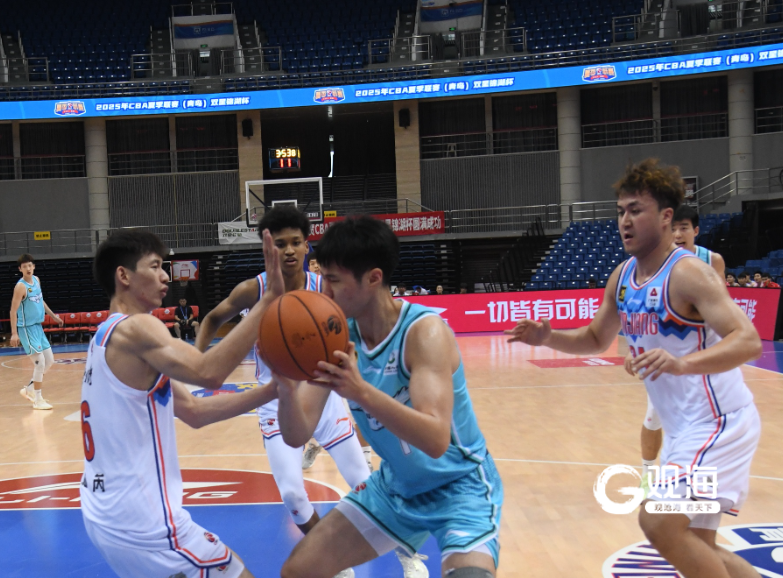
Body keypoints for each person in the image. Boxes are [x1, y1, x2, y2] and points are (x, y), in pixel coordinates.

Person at [505, 159, 762, 578]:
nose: (624, 221)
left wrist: (682, 363)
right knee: (698, 545)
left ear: (665, 217)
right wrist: (547, 338)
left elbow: (748, 340)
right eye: (621, 211)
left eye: (636, 210)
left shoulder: (689, 273)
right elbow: (594, 338)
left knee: (656, 521)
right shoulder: (622, 277)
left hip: (718, 425)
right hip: (684, 432)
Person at [273, 216, 498, 578]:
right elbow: (296, 434)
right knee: (299, 570)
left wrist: (360, 391)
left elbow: (436, 440)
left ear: (374, 278)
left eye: (333, 280)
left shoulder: (424, 333)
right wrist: (285, 390)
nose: (324, 292)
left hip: (459, 487)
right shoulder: (336, 337)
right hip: (395, 487)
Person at [81, 228, 284, 578]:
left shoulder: (105, 335)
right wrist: (268, 301)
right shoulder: (138, 328)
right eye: (155, 266)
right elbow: (209, 373)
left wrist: (271, 391)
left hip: (103, 516)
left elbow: (194, 410)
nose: (165, 276)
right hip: (146, 525)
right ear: (124, 275)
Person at [193, 206, 383, 573]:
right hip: (276, 401)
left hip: (323, 397)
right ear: (269, 248)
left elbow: (353, 324)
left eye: (296, 242)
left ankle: (408, 554)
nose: (290, 250)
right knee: (293, 495)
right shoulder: (254, 290)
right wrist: (196, 365)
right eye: (281, 244)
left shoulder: (323, 288)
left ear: (307, 245)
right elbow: (213, 318)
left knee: (364, 483)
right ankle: (334, 560)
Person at [630, 203, 733, 473]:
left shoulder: (712, 261)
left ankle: (702, 476)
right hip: (665, 350)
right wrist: (636, 349)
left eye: (683, 228)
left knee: (708, 419)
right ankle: (648, 475)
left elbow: (722, 308)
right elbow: (642, 311)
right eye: (673, 228)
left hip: (703, 351)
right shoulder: (654, 263)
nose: (677, 234)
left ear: (695, 231)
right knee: (654, 417)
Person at [10, 253, 63, 410]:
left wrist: (53, 316)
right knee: (40, 363)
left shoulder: (37, 280)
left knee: (49, 360)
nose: (28, 268)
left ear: (33, 267)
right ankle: (37, 400)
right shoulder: (20, 287)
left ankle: (30, 389)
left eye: (30, 265)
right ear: (20, 269)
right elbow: (13, 310)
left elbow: (41, 300)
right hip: (26, 328)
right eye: (24, 266)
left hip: (37, 327)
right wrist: (14, 333)